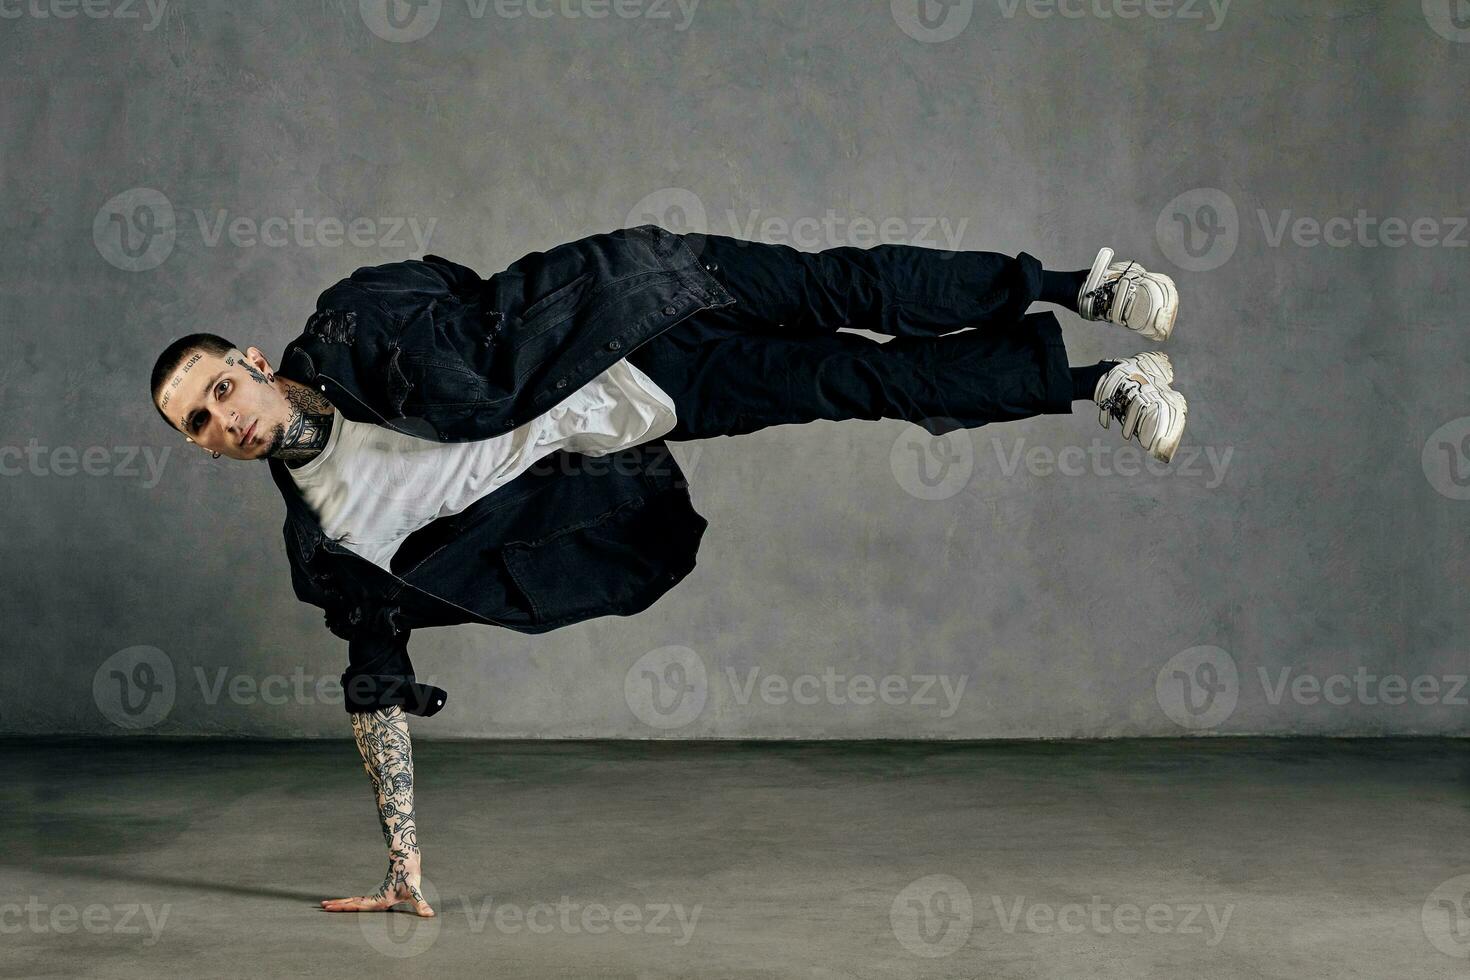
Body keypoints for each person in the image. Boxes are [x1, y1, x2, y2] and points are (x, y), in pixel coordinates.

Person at [148, 225, 1187, 917]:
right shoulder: (334, 544)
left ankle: (1080, 284)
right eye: (200, 422)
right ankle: (1101, 385)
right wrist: (402, 862)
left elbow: (461, 291)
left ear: (250, 359)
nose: (224, 419)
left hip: (637, 289)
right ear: (200, 446)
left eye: (220, 388)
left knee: (849, 283)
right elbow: (372, 678)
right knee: (860, 376)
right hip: (661, 396)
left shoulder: (346, 323)